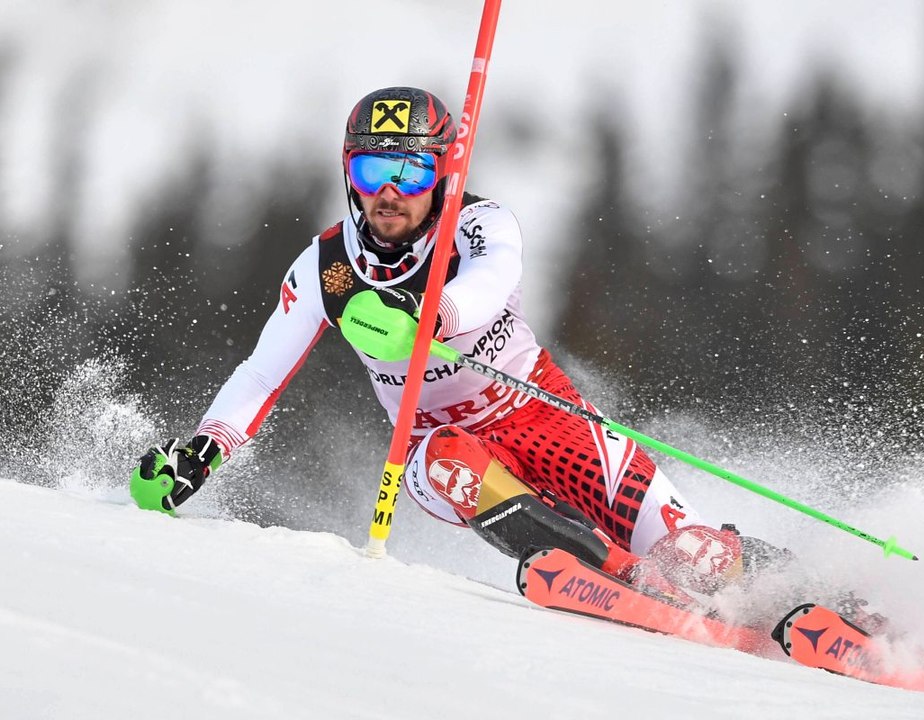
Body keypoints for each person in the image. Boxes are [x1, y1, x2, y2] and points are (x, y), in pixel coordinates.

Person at [130, 86, 792, 606]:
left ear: (440, 174)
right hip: (429, 444)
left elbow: (489, 280)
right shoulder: (326, 268)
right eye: (372, 168)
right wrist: (206, 447)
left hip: (541, 412)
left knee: (696, 555)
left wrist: (432, 312)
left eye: (411, 171)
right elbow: (260, 371)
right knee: (454, 463)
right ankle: (618, 576)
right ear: (348, 173)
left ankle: (796, 594)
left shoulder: (478, 224)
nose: (389, 191)